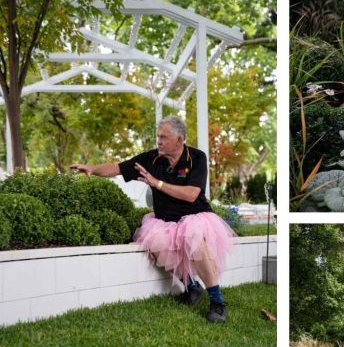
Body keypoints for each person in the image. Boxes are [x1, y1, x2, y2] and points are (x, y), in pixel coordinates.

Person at [71, 116, 234, 323]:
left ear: (179, 139)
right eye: (158, 136)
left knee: (194, 238)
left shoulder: (196, 157)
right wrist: (92, 169)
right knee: (155, 242)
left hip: (195, 217)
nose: (159, 141)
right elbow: (117, 168)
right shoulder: (152, 158)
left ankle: (217, 302)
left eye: (164, 137)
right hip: (166, 221)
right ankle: (192, 287)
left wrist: (157, 183)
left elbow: (191, 194)